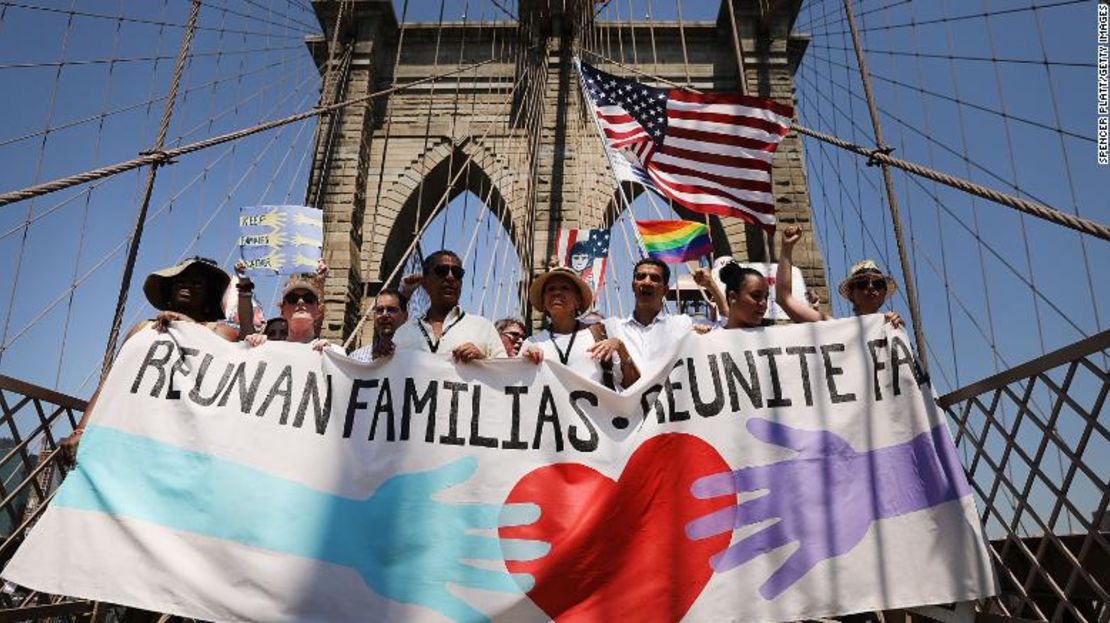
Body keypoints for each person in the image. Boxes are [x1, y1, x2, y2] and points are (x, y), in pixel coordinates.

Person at [59, 257, 235, 466]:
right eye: (180, 281)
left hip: (184, 443)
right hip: (131, 434)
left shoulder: (221, 333)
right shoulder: (142, 330)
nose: (186, 285)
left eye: (197, 283)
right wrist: (82, 429)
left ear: (209, 296)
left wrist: (186, 325)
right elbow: (110, 385)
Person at [521, 267, 639, 389]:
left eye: (565, 288)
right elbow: (518, 389)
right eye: (550, 289)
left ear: (578, 300)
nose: (556, 293)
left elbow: (634, 388)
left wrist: (621, 349)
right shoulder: (532, 344)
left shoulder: (601, 335)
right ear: (544, 302)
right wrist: (524, 362)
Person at [775, 225, 903, 327]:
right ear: (851, 294)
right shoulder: (836, 329)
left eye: (878, 284)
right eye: (862, 283)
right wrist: (786, 249)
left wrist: (896, 330)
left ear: (884, 293)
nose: (870, 287)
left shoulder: (891, 327)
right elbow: (784, 299)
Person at [393, 250, 506, 361]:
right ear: (424, 282)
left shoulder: (484, 328)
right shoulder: (403, 333)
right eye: (442, 271)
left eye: (457, 273)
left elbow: (506, 374)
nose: (450, 277)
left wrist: (483, 362)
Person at [603, 258, 701, 374]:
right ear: (633, 286)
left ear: (665, 290)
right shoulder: (612, 328)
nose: (646, 282)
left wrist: (711, 286)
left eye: (655, 278)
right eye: (641, 277)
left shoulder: (683, 325)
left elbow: (726, 331)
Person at [245, 262, 330, 350]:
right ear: (282, 310)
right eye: (292, 299)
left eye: (308, 298)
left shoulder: (329, 351)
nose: (300, 301)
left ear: (319, 310)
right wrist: (253, 347)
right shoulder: (267, 348)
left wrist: (331, 357)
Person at [350, 288, 409, 363]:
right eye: (380, 310)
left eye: (391, 310)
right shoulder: (356, 360)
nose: (384, 315)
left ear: (405, 316)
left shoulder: (418, 358)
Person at [718, 263, 771, 329]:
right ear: (733, 297)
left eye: (766, 297)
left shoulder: (775, 336)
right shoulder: (711, 337)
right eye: (756, 296)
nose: (764, 304)